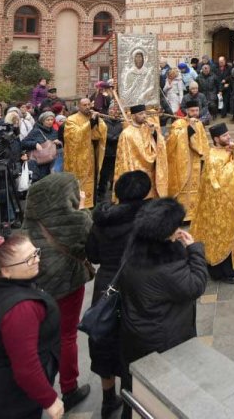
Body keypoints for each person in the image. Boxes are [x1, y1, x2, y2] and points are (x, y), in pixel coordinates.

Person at [0, 231, 66, 419]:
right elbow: (26, 366)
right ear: (5, 271)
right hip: (10, 399)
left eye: (36, 253)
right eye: (29, 259)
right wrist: (50, 400)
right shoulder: (20, 309)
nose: (37, 260)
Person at [117, 197, 207, 395]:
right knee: (165, 390)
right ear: (164, 233)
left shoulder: (135, 249)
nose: (179, 229)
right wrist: (194, 250)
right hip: (163, 337)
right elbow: (196, 285)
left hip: (136, 330)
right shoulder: (166, 268)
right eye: (176, 226)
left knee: (138, 388)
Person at [85, 171, 152, 417]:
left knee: (104, 338)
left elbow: (92, 255)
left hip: (106, 284)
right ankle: (129, 405)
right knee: (130, 344)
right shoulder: (145, 222)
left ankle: (107, 400)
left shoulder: (101, 220)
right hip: (135, 284)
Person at [25, 173, 93, 411]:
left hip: (37, 285)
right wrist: (82, 207)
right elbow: (90, 241)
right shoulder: (77, 220)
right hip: (67, 283)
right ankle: (69, 387)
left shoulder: (33, 218)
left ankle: (39, 388)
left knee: (40, 337)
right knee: (66, 335)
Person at [190, 123, 234, 283]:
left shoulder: (225, 151)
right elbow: (225, 179)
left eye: (229, 134)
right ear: (216, 139)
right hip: (217, 205)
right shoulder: (212, 156)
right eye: (225, 136)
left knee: (227, 234)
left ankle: (222, 269)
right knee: (220, 235)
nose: (229, 137)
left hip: (228, 204)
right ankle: (222, 272)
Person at [164, 98, 210, 219]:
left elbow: (203, 141)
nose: (195, 113)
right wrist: (189, 127)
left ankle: (193, 215)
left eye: (197, 110)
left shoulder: (199, 124)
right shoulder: (178, 123)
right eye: (192, 111)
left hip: (195, 160)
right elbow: (172, 141)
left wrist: (204, 155)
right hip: (182, 160)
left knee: (196, 188)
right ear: (187, 111)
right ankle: (182, 216)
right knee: (183, 187)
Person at [62, 99, 106, 210]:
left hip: (91, 155)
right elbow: (74, 136)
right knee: (79, 182)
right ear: (79, 106)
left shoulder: (92, 116)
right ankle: (78, 205)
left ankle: (91, 204)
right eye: (84, 105)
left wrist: (97, 122)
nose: (87, 107)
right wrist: (90, 123)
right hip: (77, 158)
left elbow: (99, 134)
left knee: (93, 180)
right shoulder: (71, 119)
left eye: (89, 105)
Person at [114, 104, 166, 195]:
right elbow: (123, 158)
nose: (144, 116)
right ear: (133, 116)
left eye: (145, 113)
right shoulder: (126, 134)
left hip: (150, 171)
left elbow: (159, 145)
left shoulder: (148, 129)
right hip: (135, 171)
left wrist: (154, 133)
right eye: (141, 114)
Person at [22, 111, 63, 182]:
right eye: (48, 120)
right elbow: (24, 143)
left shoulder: (54, 132)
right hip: (40, 163)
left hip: (53, 162)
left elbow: (59, 146)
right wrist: (35, 144)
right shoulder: (36, 131)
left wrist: (59, 143)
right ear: (42, 121)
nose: (50, 122)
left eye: (52, 120)